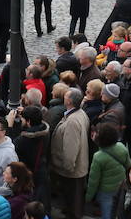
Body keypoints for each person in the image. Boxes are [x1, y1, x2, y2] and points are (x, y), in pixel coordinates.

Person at [50, 88, 90, 219]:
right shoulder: (80, 113)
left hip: (71, 171)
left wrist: (67, 169)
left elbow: (70, 149)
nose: (64, 97)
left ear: (69, 101)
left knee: (73, 203)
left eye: (66, 96)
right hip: (77, 167)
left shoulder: (72, 122)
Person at [86, 123, 131, 219]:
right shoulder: (121, 147)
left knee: (107, 214)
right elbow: (129, 166)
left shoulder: (98, 157)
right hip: (121, 187)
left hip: (106, 192)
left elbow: (93, 180)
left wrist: (88, 197)